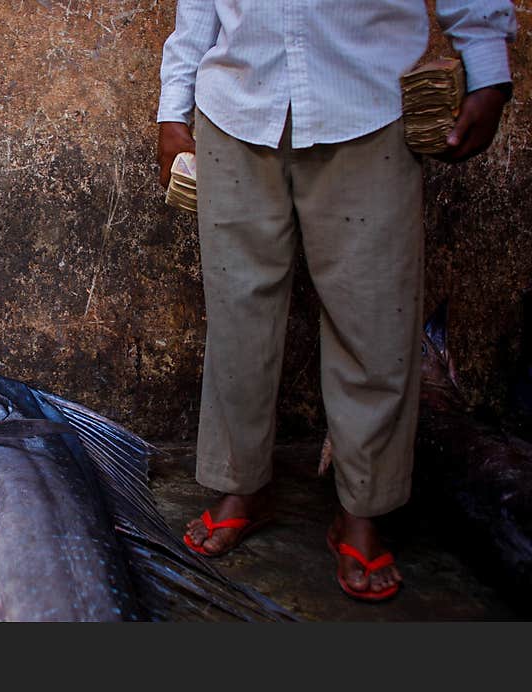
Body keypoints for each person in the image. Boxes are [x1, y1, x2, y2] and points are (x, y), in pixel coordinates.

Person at [156, 1, 516, 601]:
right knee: (238, 314)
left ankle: (363, 507)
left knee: (374, 317)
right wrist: (173, 109)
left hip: (367, 103)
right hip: (235, 105)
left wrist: (487, 68)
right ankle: (243, 483)